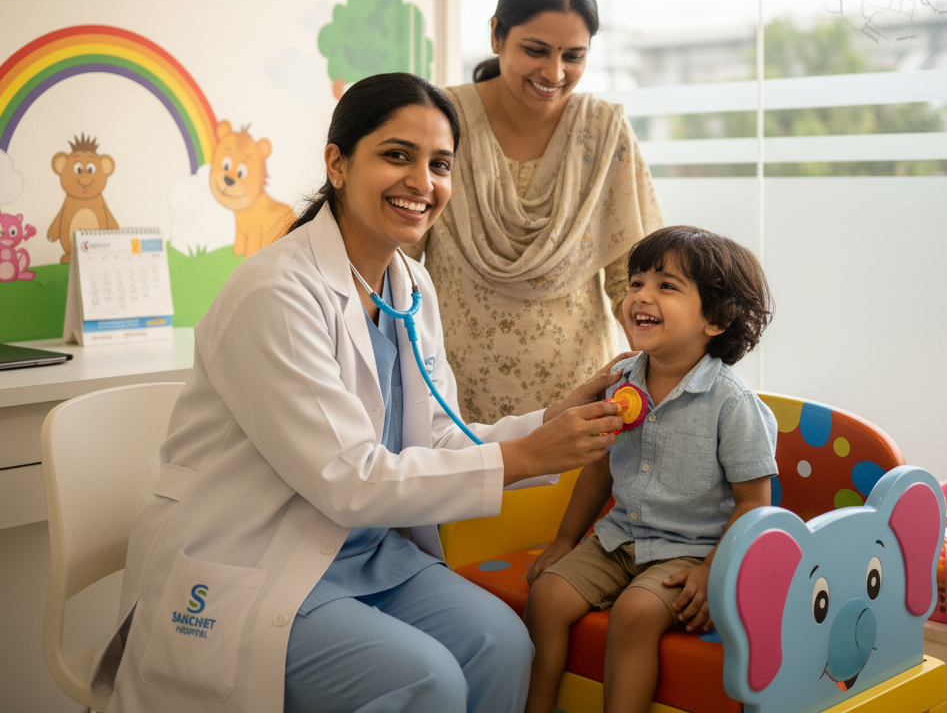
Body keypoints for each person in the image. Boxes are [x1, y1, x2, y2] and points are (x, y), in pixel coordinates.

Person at [91, 73, 628, 713]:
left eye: (440, 165)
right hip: (258, 560)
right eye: (396, 155)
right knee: (425, 680)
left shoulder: (410, 287)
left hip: (366, 557)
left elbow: (437, 441)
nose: (421, 182)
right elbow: (349, 480)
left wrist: (548, 425)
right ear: (337, 164)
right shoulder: (277, 293)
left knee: (503, 644)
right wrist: (529, 457)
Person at [522, 225, 778, 713]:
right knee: (548, 596)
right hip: (618, 538)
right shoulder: (619, 380)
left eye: (666, 285)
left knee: (635, 614)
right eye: (637, 281)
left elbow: (753, 503)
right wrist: (563, 540)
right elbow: (597, 469)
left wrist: (713, 571)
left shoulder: (733, 404)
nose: (641, 295)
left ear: (718, 318)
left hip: (690, 550)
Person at [406, 0, 663, 422]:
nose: (554, 72)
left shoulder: (604, 133)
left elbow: (633, 275)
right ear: (496, 36)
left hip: (579, 400)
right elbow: (400, 258)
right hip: (452, 399)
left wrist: (662, 376)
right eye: (536, 50)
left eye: (573, 56)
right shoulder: (442, 119)